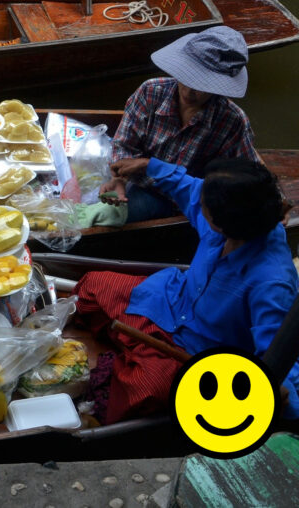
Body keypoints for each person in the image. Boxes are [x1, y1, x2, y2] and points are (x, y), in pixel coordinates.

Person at [75, 156, 298, 425]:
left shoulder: (272, 282)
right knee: (91, 287)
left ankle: (134, 358)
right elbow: (188, 186)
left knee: (145, 390)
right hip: (168, 302)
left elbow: (278, 356)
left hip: (194, 350)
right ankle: (133, 354)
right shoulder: (231, 216)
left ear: (219, 222)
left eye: (202, 206)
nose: (197, 202)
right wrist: (149, 166)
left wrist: (282, 397)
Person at [100, 26, 259, 223]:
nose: (191, 91)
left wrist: (277, 202)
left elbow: (249, 175)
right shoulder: (150, 92)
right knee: (105, 214)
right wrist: (119, 178)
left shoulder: (232, 121)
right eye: (188, 76)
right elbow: (124, 145)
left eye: (203, 85)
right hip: (145, 186)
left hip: (192, 200)